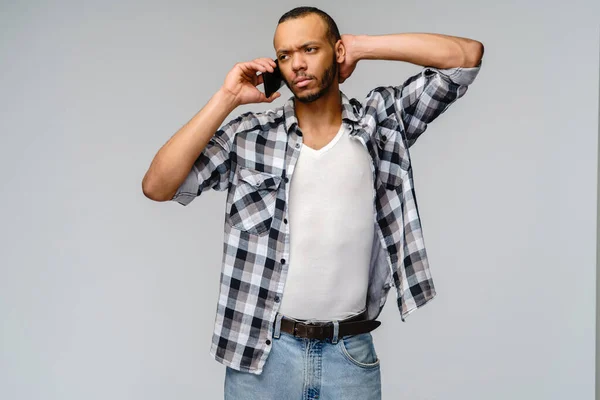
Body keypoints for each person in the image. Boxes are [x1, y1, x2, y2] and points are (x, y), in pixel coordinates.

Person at [142, 6, 483, 399]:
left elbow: (466, 58)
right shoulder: (251, 136)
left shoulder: (382, 123)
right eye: (284, 55)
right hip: (264, 358)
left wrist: (360, 46)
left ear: (336, 51)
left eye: (309, 49)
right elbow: (158, 185)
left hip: (349, 358)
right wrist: (227, 98)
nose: (297, 65)